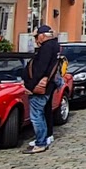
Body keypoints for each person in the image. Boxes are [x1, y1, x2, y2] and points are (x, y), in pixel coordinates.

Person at [23, 25, 60, 155]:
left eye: (36, 36)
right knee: (43, 112)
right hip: (47, 85)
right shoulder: (54, 45)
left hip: (41, 86)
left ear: (42, 36)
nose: (35, 39)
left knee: (36, 116)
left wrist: (30, 86)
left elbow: (40, 69)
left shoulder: (47, 47)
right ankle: (44, 138)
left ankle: (41, 142)